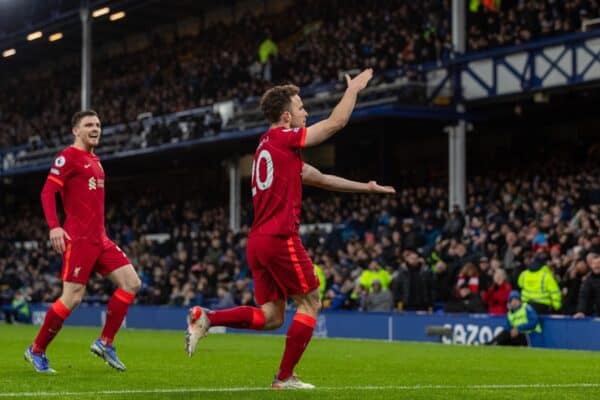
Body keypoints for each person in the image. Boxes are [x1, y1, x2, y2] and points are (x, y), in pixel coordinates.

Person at [186, 69, 395, 389]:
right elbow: (335, 124)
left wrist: (365, 187)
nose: (306, 112)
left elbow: (321, 178)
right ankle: (284, 377)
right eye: (301, 108)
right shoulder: (284, 138)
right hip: (279, 236)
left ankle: (209, 318)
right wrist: (353, 90)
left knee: (271, 316)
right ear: (286, 117)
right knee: (311, 302)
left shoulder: (267, 147)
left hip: (258, 241)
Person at [24, 110, 141, 373]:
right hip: (78, 239)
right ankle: (36, 350)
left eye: (98, 124)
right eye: (89, 124)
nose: (95, 128)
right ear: (76, 130)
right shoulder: (68, 157)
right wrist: (54, 227)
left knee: (132, 283)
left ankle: (105, 342)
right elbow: (47, 192)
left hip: (100, 239)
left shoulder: (95, 160)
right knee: (73, 297)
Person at [573, 250, 600, 318]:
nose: (597, 266)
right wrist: (581, 311)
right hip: (595, 314)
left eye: (599, 263)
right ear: (591, 266)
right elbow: (583, 297)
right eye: (594, 264)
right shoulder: (588, 281)